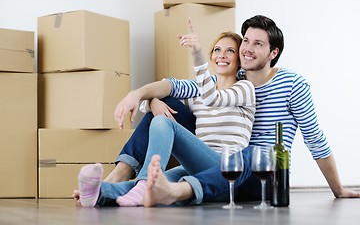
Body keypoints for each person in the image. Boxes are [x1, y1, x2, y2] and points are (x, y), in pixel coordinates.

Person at [107, 14, 360, 207]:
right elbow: (175, 86)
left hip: (261, 174)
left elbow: (314, 137)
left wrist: (338, 189)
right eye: (246, 41)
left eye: (258, 44)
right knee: (166, 108)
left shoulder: (292, 84)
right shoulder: (233, 76)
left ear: (273, 52)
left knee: (254, 153)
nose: (247, 48)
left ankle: (178, 191)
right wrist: (141, 96)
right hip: (222, 161)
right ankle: (111, 184)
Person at [75, 19, 256, 207]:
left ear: (239, 61)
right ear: (212, 56)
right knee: (154, 184)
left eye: (230, 51)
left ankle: (143, 182)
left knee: (163, 122)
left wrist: (196, 54)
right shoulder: (198, 95)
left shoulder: (245, 89)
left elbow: (214, 98)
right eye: (217, 50)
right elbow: (169, 95)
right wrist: (152, 102)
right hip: (195, 165)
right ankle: (98, 193)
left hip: (224, 167)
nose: (222, 55)